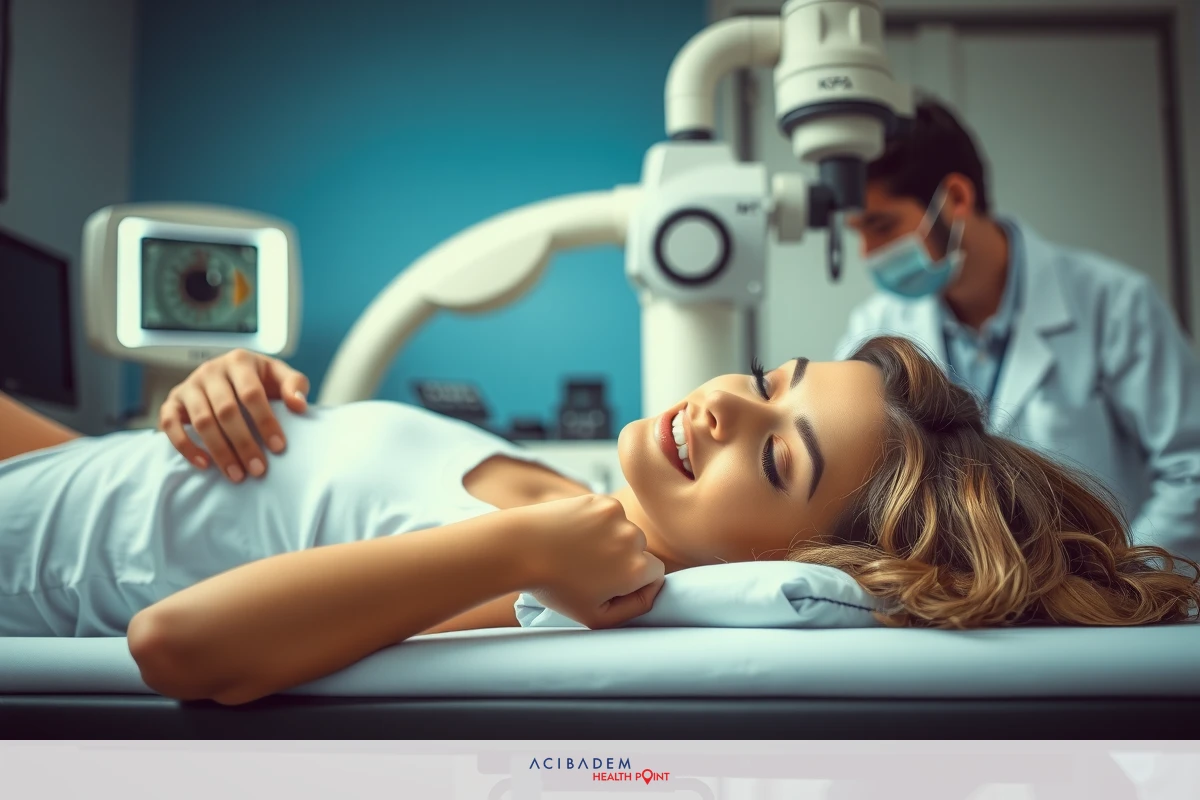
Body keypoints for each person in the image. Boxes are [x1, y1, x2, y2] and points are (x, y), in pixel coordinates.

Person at [0, 341, 1196, 708]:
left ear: (807, 557)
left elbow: (174, 642)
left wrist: (522, 549)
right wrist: (207, 401)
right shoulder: (558, 490)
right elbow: (126, 504)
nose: (727, 400)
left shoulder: (565, 582)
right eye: (774, 378)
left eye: (775, 452)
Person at [836, 98, 1200, 565]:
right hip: (950, 607)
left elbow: (1191, 469)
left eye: (881, 225)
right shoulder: (875, 327)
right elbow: (852, 481)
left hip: (1100, 609)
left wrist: (1125, 577)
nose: (867, 253)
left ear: (957, 200)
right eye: (857, 233)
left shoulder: (1115, 303)